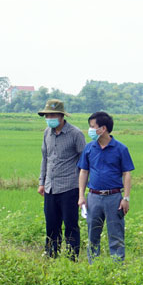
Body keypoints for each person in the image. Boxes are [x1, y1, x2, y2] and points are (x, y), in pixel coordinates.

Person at [78, 111, 135, 262]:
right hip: (94, 197)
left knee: (116, 235)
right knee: (92, 235)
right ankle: (93, 267)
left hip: (114, 197)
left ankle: (116, 269)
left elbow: (127, 174)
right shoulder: (89, 148)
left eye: (92, 126)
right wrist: (81, 196)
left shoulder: (120, 149)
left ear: (103, 129)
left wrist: (126, 198)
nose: (90, 130)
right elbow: (84, 172)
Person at [37, 99, 86, 259]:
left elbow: (85, 162)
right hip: (50, 187)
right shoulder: (47, 133)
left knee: (71, 225)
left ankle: (72, 259)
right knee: (51, 225)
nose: (49, 118)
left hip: (70, 187)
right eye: (47, 115)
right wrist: (41, 182)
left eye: (52, 115)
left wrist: (82, 188)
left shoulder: (75, 134)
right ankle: (51, 256)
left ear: (61, 116)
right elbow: (45, 158)